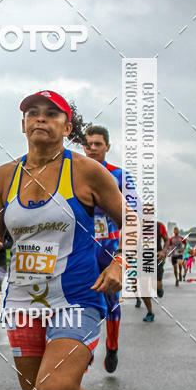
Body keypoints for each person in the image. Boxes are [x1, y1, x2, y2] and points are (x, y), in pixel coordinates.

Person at [0, 90, 128, 390]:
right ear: (23, 124)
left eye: (51, 114)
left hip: (77, 297)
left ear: (67, 126)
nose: (40, 119)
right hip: (24, 302)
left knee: (56, 387)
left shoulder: (86, 171)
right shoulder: (4, 176)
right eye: (32, 113)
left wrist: (118, 265)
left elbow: (134, 224)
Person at [83, 125, 124, 373]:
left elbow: (134, 216)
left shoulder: (120, 176)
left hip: (109, 251)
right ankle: (84, 350)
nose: (93, 148)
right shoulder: (72, 175)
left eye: (98, 144)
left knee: (111, 303)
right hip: (82, 250)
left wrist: (122, 257)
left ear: (107, 146)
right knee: (81, 302)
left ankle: (112, 347)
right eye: (88, 144)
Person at [140, 221, 169, 322]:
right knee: (143, 287)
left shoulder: (159, 225)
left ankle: (159, 289)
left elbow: (166, 240)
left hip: (157, 258)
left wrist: (163, 251)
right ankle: (150, 312)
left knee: (155, 286)